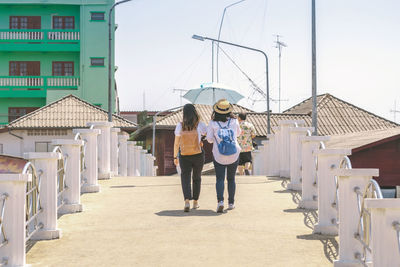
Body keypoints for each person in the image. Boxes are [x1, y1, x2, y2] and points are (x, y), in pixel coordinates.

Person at [206, 99, 241, 213]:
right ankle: (231, 203)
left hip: (219, 155)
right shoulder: (234, 121)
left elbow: (209, 140)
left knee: (220, 178)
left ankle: (220, 202)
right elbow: (238, 134)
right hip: (233, 154)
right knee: (231, 179)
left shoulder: (213, 123)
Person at [173, 104, 207, 212]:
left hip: (184, 155)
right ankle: (195, 202)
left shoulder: (180, 126)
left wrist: (175, 157)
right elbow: (208, 134)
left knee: (185, 178)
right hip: (198, 155)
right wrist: (201, 140)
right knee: (197, 178)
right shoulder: (200, 125)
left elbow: (176, 143)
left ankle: (187, 201)